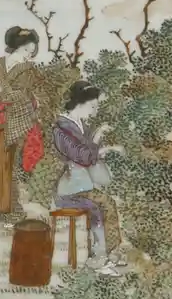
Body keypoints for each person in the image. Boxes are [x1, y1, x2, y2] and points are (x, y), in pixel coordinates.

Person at [51, 80, 126, 274]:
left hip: (81, 185)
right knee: (97, 206)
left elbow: (89, 154)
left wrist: (99, 139)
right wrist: (100, 144)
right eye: (92, 106)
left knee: (107, 202)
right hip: (67, 190)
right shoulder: (61, 129)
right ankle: (98, 260)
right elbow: (83, 156)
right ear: (80, 103)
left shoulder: (80, 126)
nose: (95, 111)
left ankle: (110, 255)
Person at [0, 26, 42, 224]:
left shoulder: (29, 69)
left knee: (11, 167)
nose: (30, 55)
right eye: (27, 50)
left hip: (20, 120)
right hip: (0, 120)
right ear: (17, 47)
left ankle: (14, 211)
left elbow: (20, 95)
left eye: (32, 51)